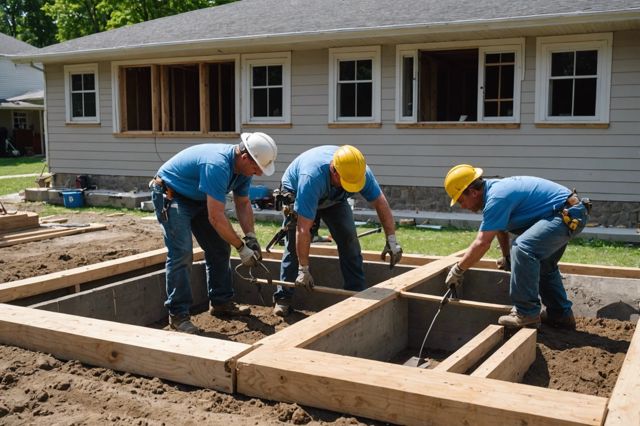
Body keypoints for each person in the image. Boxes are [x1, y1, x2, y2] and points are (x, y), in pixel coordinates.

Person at [150, 132, 278, 333]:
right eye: (257, 168)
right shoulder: (217, 164)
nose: (259, 173)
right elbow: (216, 218)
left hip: (198, 198)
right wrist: (241, 248)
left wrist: (250, 237)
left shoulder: (243, 171)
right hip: (171, 195)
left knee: (218, 248)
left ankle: (221, 302)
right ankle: (178, 315)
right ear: (245, 157)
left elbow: (243, 203)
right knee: (181, 253)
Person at [443, 164, 590, 329]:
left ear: (473, 192)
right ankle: (560, 315)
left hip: (565, 215)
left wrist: (458, 269)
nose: (462, 206)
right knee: (544, 265)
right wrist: (506, 257)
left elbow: (482, 243)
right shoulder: (493, 193)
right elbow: (500, 229)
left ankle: (526, 313)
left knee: (523, 248)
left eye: (462, 200)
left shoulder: (496, 197)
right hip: (566, 213)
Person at [272, 145, 403, 317]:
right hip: (299, 192)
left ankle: (356, 293)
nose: (351, 187)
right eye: (348, 183)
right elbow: (303, 229)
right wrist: (304, 269)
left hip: (334, 198)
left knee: (349, 239)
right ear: (334, 172)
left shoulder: (358, 171)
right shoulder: (312, 177)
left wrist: (392, 241)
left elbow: (380, 203)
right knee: (293, 247)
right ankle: (283, 298)